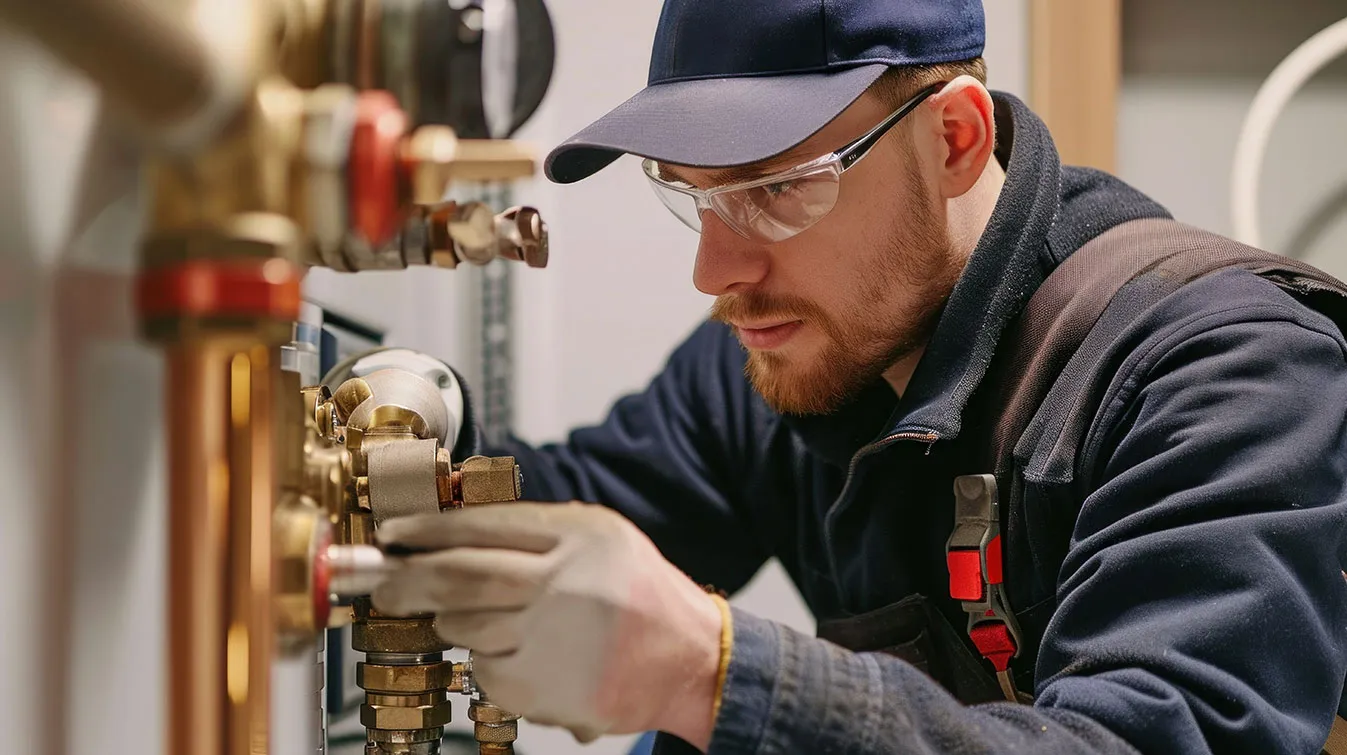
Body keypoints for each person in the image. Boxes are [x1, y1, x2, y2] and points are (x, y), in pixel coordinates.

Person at [370, 0, 1347, 752]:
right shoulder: (781, 351)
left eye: (776, 188)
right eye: (691, 194)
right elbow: (578, 507)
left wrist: (716, 672)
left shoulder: (1220, 372)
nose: (715, 273)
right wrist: (403, 423)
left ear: (954, 139)